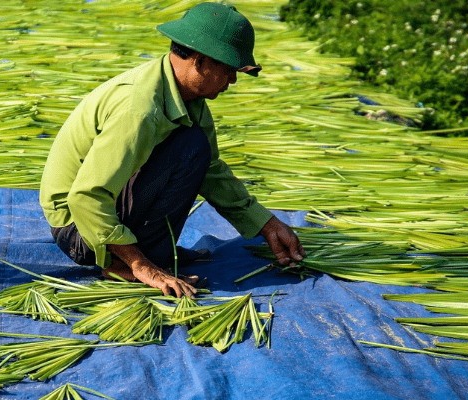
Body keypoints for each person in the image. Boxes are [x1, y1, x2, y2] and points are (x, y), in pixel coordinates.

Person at [39, 2, 305, 298]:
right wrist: (142, 265)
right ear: (201, 61)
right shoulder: (138, 110)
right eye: (229, 70)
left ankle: (148, 251)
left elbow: (211, 171)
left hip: (102, 213)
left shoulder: (186, 96)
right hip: (79, 231)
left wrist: (266, 224)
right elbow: (86, 197)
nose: (232, 80)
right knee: (188, 146)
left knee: (194, 148)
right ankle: (121, 262)